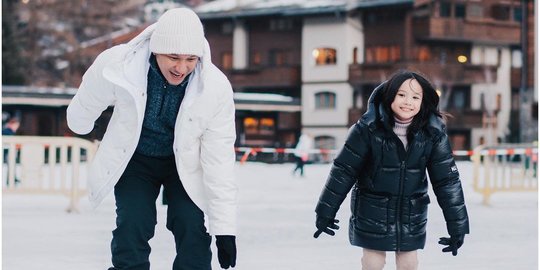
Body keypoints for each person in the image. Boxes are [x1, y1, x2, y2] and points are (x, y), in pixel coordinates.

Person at [66, 8, 237, 270]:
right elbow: (90, 95)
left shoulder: (215, 88)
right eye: (173, 57)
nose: (182, 68)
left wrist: (225, 229)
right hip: (136, 159)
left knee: (190, 224)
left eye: (191, 59)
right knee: (133, 223)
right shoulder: (119, 65)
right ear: (157, 50)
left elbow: (220, 160)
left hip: (184, 164)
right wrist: (82, 122)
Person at [313, 70, 470, 270]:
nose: (408, 102)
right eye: (402, 95)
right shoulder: (367, 129)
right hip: (372, 210)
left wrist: (457, 226)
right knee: (373, 263)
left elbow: (447, 181)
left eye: (415, 97)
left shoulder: (433, 133)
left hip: (411, 213)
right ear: (390, 96)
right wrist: (326, 211)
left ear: (423, 101)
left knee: (409, 264)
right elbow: (344, 170)